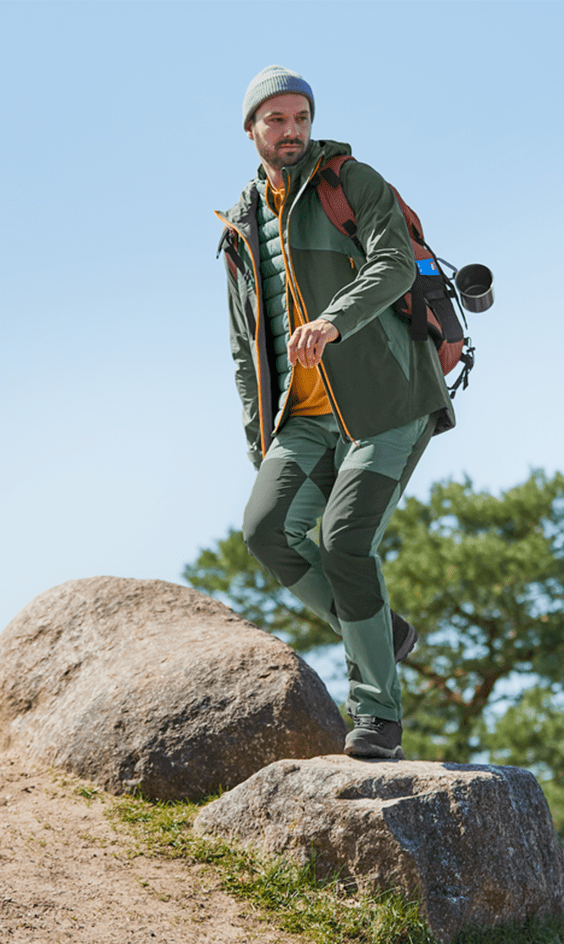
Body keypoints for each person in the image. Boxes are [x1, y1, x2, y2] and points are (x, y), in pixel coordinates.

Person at [217, 65, 454, 759]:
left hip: (387, 398)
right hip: (304, 414)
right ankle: (384, 630)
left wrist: (332, 320)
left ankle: (377, 713)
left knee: (346, 541)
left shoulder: (351, 182)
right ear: (251, 128)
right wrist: (258, 436)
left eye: (299, 118)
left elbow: (393, 266)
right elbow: (243, 344)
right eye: (275, 120)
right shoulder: (238, 227)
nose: (290, 132)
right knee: (267, 530)